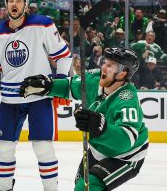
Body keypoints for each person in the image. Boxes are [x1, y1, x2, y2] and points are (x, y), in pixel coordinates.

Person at [0, 0, 72, 191]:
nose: (14, 4)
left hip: (39, 97)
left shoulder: (42, 24)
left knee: (43, 148)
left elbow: (63, 56)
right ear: (6, 5)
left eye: (19, 1)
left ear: (25, 4)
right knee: (5, 149)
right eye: (11, 1)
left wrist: (60, 84)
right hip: (10, 100)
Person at [19, 47, 148, 191]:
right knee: (79, 186)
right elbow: (71, 86)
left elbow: (126, 140)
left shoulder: (127, 99)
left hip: (125, 157)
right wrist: (49, 86)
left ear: (122, 73)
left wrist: (101, 127)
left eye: (110, 65)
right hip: (98, 149)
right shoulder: (94, 79)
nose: (103, 67)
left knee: (86, 188)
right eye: (104, 62)